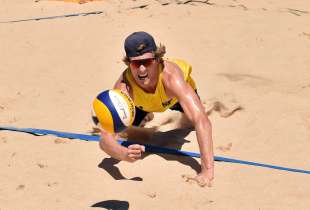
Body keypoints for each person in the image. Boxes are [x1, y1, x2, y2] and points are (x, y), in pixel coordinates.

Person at [98, 31, 214, 187]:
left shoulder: (171, 78)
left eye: (147, 62)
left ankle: (150, 114)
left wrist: (207, 170)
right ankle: (147, 114)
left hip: (172, 98)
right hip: (141, 104)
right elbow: (105, 139)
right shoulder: (124, 89)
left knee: (191, 124)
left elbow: (202, 121)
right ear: (128, 63)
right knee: (131, 132)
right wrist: (123, 154)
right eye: (135, 63)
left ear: (157, 59)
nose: (141, 70)